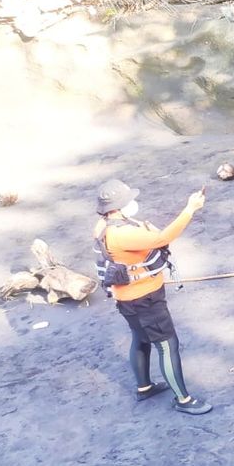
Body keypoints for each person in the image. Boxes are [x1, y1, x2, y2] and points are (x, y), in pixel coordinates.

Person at [93, 178, 212, 415]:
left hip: (127, 300)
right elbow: (162, 238)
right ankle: (183, 399)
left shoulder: (104, 226)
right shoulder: (121, 234)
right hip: (145, 300)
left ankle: (144, 387)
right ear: (118, 206)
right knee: (168, 345)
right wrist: (190, 209)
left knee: (141, 338)